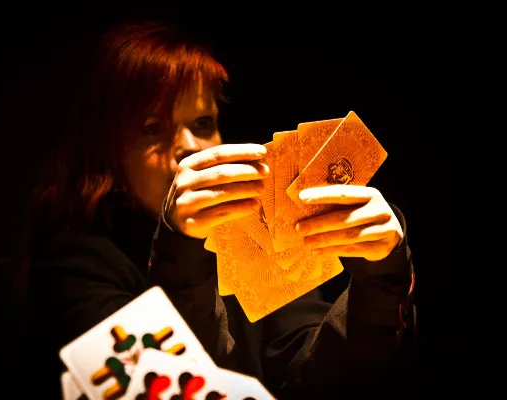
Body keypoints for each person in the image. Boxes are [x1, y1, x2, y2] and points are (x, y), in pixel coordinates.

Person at [25, 21, 416, 399]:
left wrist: (381, 275)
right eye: (152, 128)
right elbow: (178, 385)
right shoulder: (75, 261)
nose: (188, 146)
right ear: (108, 147)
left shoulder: (257, 233)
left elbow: (320, 381)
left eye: (202, 123)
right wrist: (180, 246)